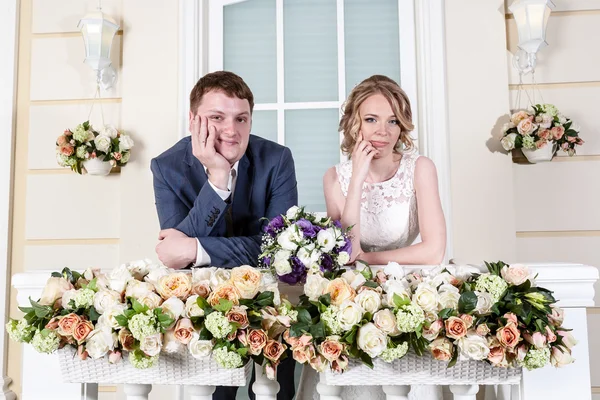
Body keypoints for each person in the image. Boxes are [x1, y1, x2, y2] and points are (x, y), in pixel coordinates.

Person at [295, 75, 446, 400]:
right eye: (372, 119)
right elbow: (346, 252)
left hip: (408, 297)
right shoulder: (336, 177)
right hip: (351, 298)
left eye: (393, 121)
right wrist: (359, 176)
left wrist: (370, 261)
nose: (383, 131)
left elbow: (433, 251)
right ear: (354, 124)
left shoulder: (420, 168)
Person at [151, 71, 298, 400]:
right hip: (204, 308)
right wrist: (218, 179)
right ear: (193, 120)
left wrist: (195, 248)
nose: (232, 131)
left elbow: (276, 251)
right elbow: (176, 256)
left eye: (241, 119)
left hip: (270, 303)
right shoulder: (167, 167)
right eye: (217, 117)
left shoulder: (276, 160)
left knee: (279, 392)